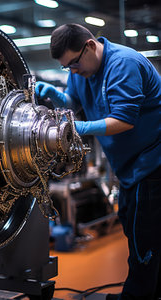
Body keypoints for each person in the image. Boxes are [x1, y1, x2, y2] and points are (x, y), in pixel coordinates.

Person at [35, 23, 161, 300]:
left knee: (144, 236)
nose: (73, 71)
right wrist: (60, 98)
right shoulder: (81, 69)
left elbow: (124, 120)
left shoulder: (123, 64)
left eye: (74, 63)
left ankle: (137, 296)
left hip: (153, 162)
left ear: (90, 45)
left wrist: (82, 128)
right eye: (67, 67)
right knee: (133, 225)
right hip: (130, 166)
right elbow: (74, 103)